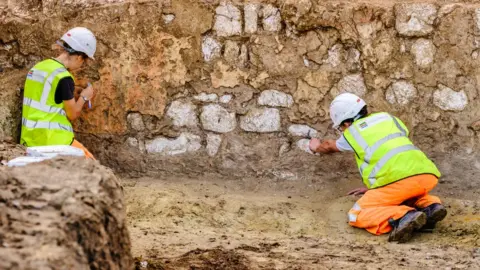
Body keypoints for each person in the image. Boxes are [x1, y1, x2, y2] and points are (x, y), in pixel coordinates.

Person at [309, 93, 447, 243]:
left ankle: (403, 216)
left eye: (341, 126)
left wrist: (316, 147)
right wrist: (376, 188)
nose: (343, 130)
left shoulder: (353, 132)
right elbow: (389, 151)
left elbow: (329, 146)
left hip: (398, 179)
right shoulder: (388, 118)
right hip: (426, 174)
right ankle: (431, 206)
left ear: (347, 123)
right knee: (404, 196)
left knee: (357, 214)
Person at [20, 27, 97, 159]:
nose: (82, 65)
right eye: (84, 61)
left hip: (29, 140)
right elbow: (72, 114)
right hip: (54, 141)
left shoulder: (38, 67)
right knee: (94, 167)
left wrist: (71, 91)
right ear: (79, 57)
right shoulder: (63, 77)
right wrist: (84, 97)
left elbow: (46, 95)